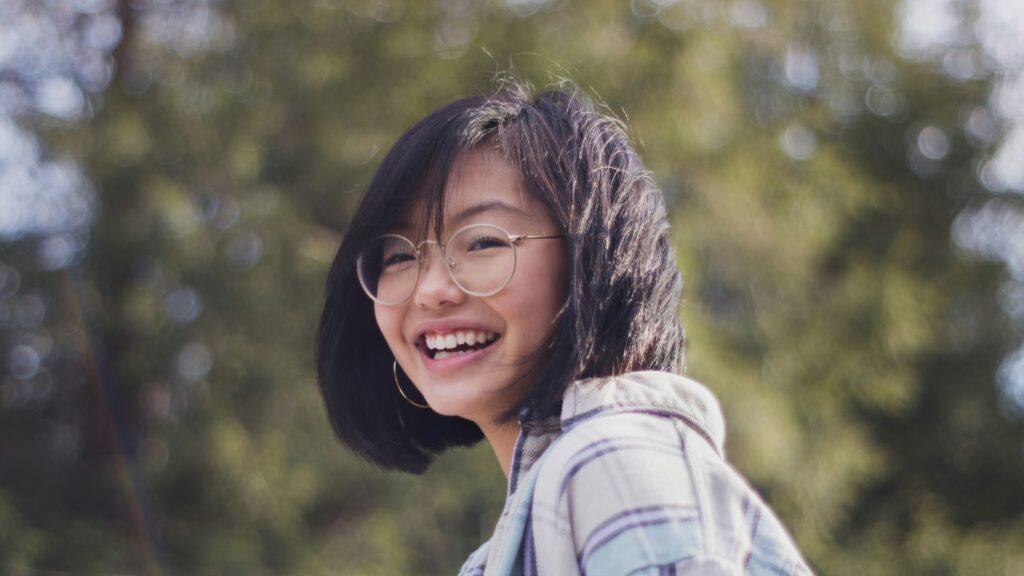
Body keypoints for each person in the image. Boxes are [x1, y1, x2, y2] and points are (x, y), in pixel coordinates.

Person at [316, 80, 813, 575]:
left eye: (484, 242)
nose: (430, 290)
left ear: (590, 260)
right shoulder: (505, 548)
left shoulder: (613, 461)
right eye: (400, 255)